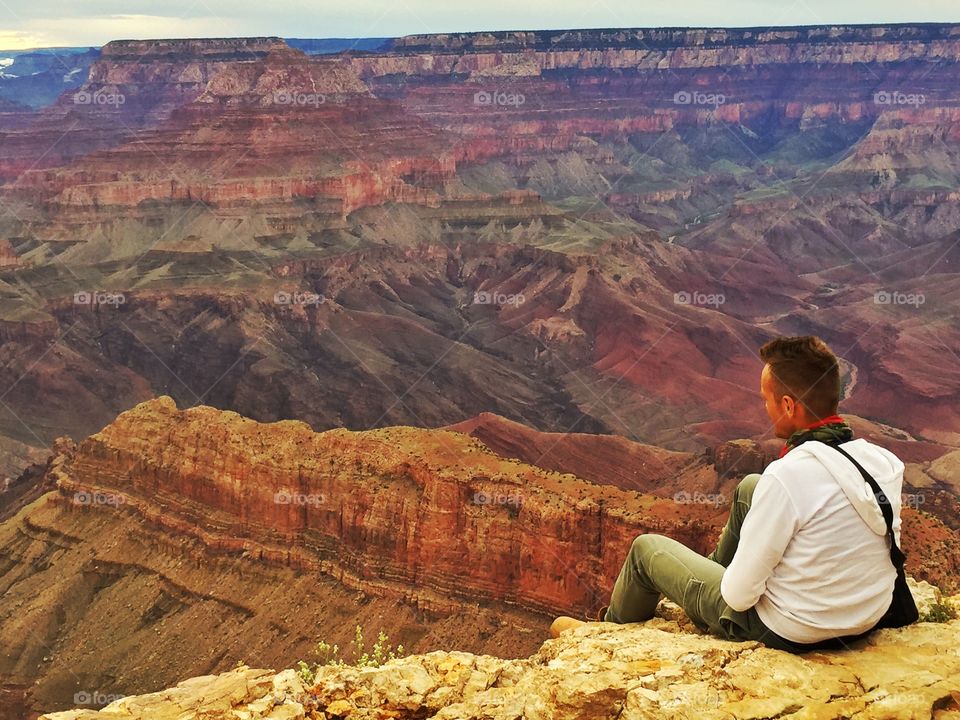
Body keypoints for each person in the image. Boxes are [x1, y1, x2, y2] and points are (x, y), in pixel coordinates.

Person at [549, 335, 905, 652]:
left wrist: (735, 583)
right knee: (751, 486)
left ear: (787, 405)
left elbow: (737, 596)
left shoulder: (789, 476)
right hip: (866, 616)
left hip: (791, 629)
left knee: (646, 550)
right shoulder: (883, 462)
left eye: (766, 399)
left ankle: (604, 640)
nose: (763, 408)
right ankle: (712, 569)